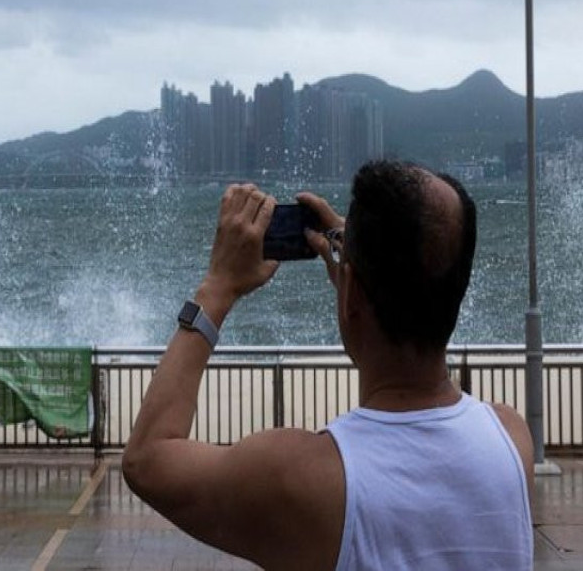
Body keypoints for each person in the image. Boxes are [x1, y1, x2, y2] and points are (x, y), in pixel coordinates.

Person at [122, 160, 534, 570]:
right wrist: (359, 278)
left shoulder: (305, 481)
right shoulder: (512, 443)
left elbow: (147, 459)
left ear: (350, 290)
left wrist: (217, 288)